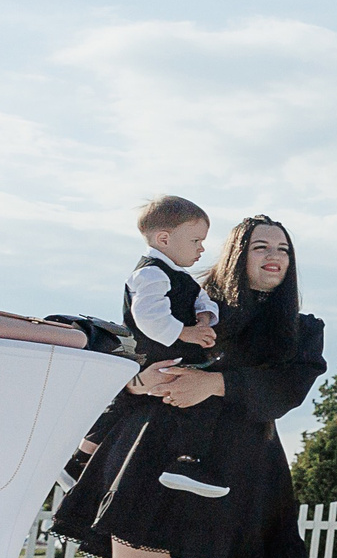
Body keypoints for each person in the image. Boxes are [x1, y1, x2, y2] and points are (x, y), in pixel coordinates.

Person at [51, 216, 325, 558]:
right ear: (235, 254)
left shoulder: (301, 326)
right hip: (153, 445)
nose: (273, 257)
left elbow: (287, 389)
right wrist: (137, 381)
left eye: (283, 250)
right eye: (260, 247)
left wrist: (214, 383)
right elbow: (132, 354)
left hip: (239, 461)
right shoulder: (184, 298)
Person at [63, 195, 224, 499]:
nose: (202, 247)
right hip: (156, 353)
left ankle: (79, 462)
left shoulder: (179, 276)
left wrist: (205, 316)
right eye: (196, 240)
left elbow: (201, 299)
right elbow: (148, 317)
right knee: (188, 403)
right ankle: (182, 461)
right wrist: (187, 333)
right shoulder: (150, 273)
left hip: (167, 354)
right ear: (164, 239)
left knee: (127, 407)